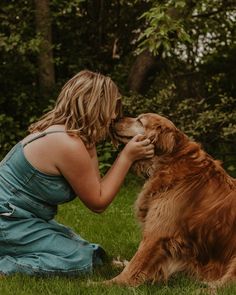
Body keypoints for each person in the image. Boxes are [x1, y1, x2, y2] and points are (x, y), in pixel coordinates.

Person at [0, 70, 154, 276]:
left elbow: (96, 186)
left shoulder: (76, 138)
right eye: (112, 108)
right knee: (78, 260)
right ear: (95, 107)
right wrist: (127, 157)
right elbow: (98, 202)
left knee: (94, 254)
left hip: (23, 218)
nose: (114, 116)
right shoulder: (67, 144)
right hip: (8, 219)